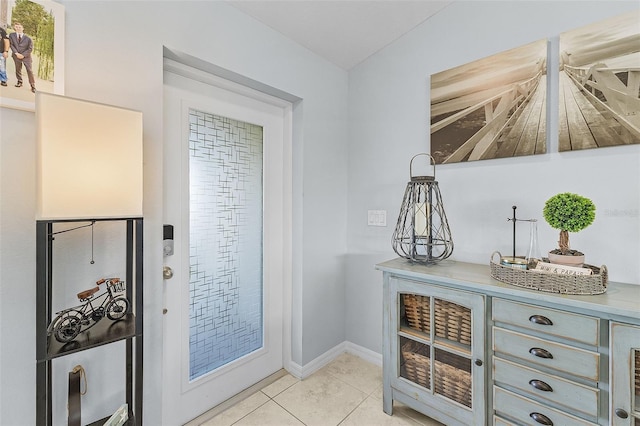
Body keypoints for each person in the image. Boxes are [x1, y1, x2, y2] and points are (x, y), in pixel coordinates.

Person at [8, 22, 36, 93]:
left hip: (26, 57)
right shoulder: (11, 35)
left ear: (23, 28)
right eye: (16, 27)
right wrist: (16, 53)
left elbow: (30, 48)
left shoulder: (28, 38)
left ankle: (32, 85)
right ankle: (19, 81)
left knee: (29, 70)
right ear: (15, 28)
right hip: (16, 55)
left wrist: (23, 55)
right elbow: (11, 45)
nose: (18, 28)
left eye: (19, 27)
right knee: (18, 69)